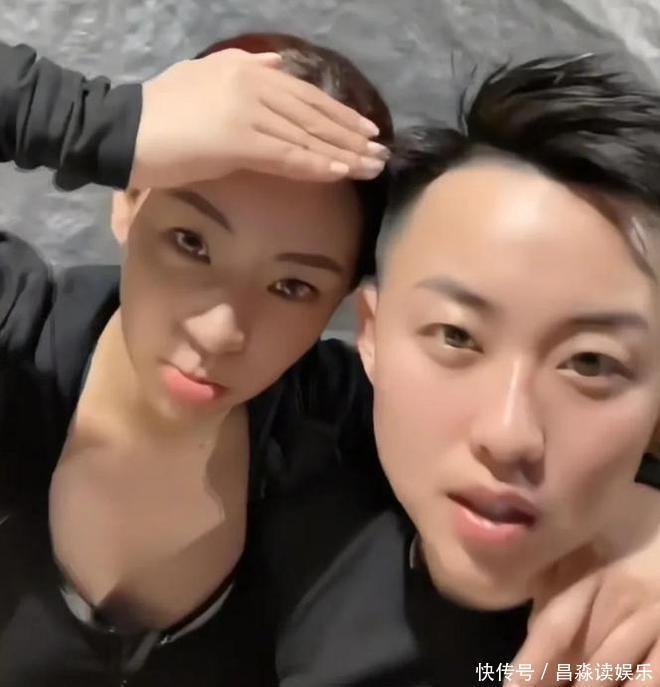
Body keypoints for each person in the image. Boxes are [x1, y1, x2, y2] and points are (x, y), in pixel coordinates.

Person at [252, 54, 660, 686]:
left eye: (590, 362)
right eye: (457, 336)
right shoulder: (283, 489)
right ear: (371, 334)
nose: (508, 434)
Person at [0, 33, 391, 686]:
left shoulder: (340, 431)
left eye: (293, 286)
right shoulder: (13, 335)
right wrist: (105, 122)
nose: (220, 331)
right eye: (191, 242)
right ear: (128, 198)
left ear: (343, 302)